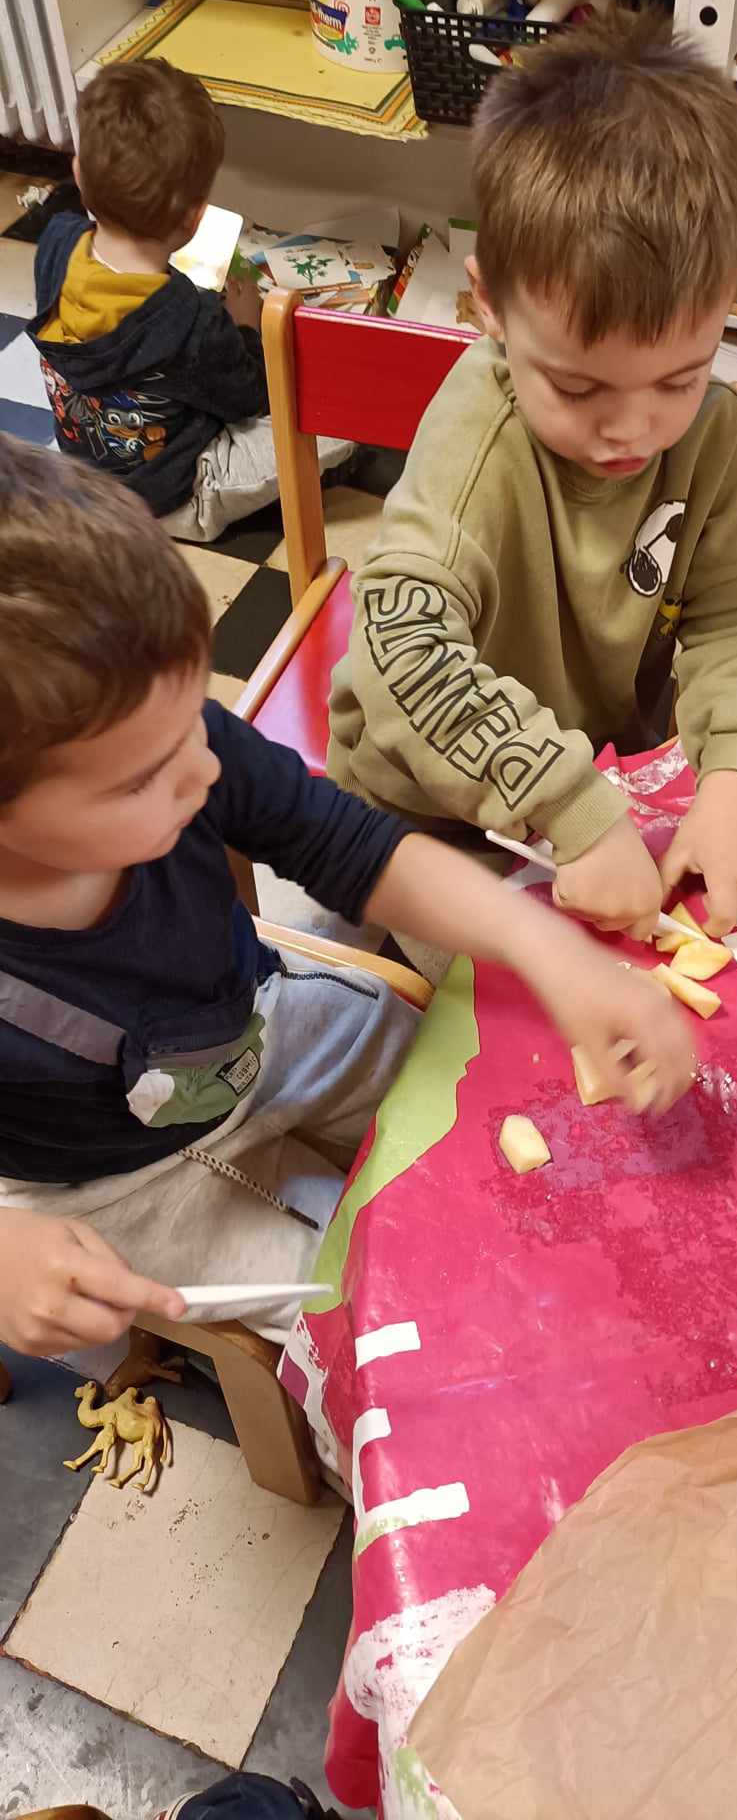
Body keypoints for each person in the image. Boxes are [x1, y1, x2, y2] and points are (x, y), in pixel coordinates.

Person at [0, 437, 691, 1360]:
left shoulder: (160, 737)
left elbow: (354, 848)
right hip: (111, 1185)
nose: (203, 770)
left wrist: (549, 951)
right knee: (387, 1326)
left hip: (264, 1027)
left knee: (504, 1103)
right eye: (141, 781)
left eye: (194, 722)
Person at [327, 13, 737, 943]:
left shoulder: (715, 432)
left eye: (679, 378)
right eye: (579, 387)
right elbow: (403, 654)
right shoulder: (479, 443)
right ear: (490, 306)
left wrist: (736, 784)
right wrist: (569, 810)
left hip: (598, 785)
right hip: (424, 816)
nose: (632, 429)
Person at [29, 59, 281, 543]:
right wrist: (247, 329)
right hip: (174, 499)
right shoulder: (191, 319)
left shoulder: (55, 244)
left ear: (78, 174)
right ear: (195, 219)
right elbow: (249, 399)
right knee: (328, 427)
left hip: (86, 478)